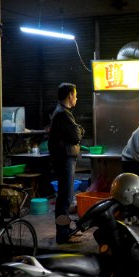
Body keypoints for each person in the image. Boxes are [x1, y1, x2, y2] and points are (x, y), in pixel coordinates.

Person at [48, 83, 84, 244]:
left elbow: (75, 132)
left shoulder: (64, 112)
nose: (77, 98)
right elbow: (76, 135)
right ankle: (62, 235)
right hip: (64, 159)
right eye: (75, 94)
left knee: (66, 197)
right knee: (64, 199)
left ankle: (65, 230)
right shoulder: (63, 113)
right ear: (70, 95)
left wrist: (78, 130)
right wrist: (80, 130)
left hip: (65, 158)